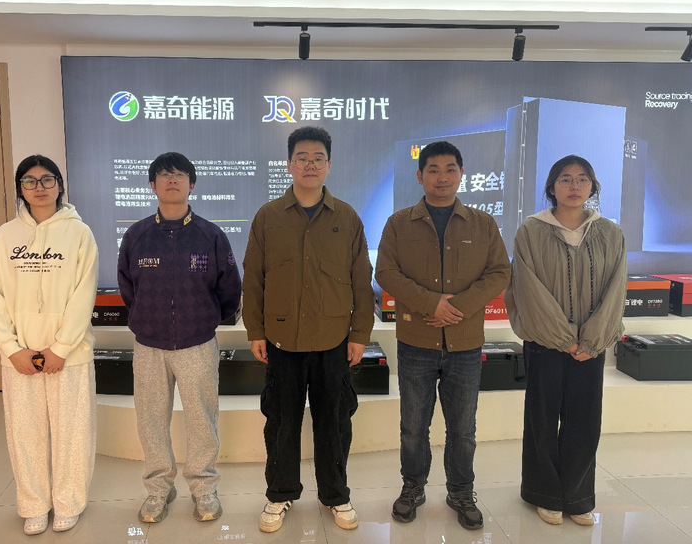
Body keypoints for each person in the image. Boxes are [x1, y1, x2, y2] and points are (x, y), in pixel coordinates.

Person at [242, 126, 374, 533]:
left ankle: (336, 495)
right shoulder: (268, 217)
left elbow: (361, 281)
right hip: (282, 340)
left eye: (318, 158)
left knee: (334, 421)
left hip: (333, 340)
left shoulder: (347, 217)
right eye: (302, 158)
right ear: (289, 165)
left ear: (329, 165)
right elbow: (253, 279)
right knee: (281, 422)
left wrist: (359, 334)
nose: (310, 165)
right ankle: (279, 493)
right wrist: (255, 330)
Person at [375, 141, 510, 529]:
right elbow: (385, 272)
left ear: (461, 174)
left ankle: (461, 491)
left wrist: (459, 306)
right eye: (433, 170)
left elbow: (500, 272)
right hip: (416, 341)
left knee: (463, 429)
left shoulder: (483, 223)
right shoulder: (399, 223)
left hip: (465, 342)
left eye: (450, 169)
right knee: (413, 427)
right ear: (420, 177)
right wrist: (431, 303)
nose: (442, 177)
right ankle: (413, 487)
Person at [117, 152, 241, 524]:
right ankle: (158, 489)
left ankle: (204, 489)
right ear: (152, 185)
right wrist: (147, 320)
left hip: (197, 343)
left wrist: (204, 321)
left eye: (180, 174)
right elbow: (128, 288)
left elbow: (229, 290)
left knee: (202, 419)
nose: (172, 180)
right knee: (151, 420)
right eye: (164, 174)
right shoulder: (136, 236)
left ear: (192, 184)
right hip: (149, 344)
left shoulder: (210, 235)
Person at [504, 155, 626, 526]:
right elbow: (527, 289)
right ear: (551, 187)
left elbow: (616, 288)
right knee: (542, 419)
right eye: (565, 179)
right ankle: (544, 494)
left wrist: (591, 340)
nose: (574, 186)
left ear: (593, 186)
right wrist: (563, 338)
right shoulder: (531, 230)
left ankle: (577, 496)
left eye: (582, 179)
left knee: (584, 420)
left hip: (591, 346)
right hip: (545, 343)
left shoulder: (610, 233)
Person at [0, 155, 99, 535]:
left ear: (60, 186)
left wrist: (61, 348)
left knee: (72, 433)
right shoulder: (4, 236)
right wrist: (10, 348)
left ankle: (69, 503)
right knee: (25, 434)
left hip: (70, 355)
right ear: (20, 188)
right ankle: (34, 505)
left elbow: (84, 294)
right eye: (30, 181)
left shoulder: (79, 233)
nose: (39, 187)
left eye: (47, 180)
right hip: (19, 357)